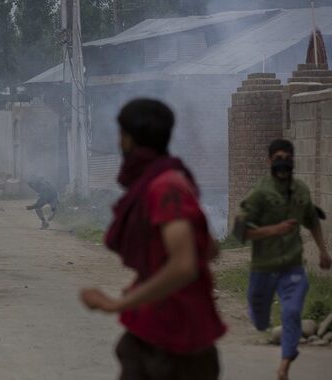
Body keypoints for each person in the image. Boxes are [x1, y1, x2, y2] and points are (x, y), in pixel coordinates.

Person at [80, 99, 225, 380]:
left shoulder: (164, 187)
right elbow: (209, 249)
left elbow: (184, 265)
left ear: (128, 138)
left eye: (121, 135)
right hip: (162, 328)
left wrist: (118, 303)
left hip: (173, 337)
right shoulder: (167, 181)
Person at [233, 139, 332, 380]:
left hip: (292, 266)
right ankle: (259, 317)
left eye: (287, 158)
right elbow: (239, 232)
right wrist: (272, 230)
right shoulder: (259, 194)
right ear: (269, 161)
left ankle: (284, 367)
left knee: (291, 312)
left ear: (293, 160)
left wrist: (323, 250)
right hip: (263, 268)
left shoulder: (300, 191)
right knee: (259, 320)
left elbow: (312, 219)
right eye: (277, 158)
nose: (283, 163)